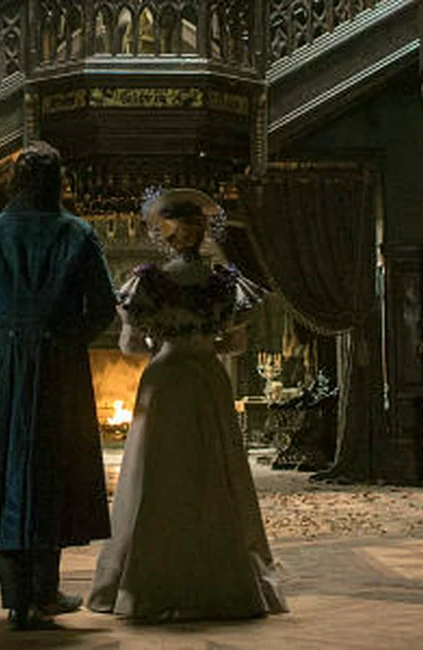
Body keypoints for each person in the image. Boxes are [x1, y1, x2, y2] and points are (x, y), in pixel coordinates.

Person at [88, 188, 289, 621]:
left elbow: (130, 347)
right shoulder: (225, 282)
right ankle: (224, 578)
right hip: (207, 380)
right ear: (202, 234)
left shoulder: (148, 282)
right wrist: (204, 340)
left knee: (157, 475)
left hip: (165, 380)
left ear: (167, 235)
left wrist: (161, 341)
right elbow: (235, 344)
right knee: (215, 472)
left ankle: (144, 581)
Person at [0, 141, 117, 631]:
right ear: (57, 182)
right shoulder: (77, 233)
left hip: (3, 364)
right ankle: (44, 592)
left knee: (3, 469)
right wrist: (68, 338)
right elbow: (103, 308)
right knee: (53, 470)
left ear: (15, 181)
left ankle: (16, 599)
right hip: (59, 365)